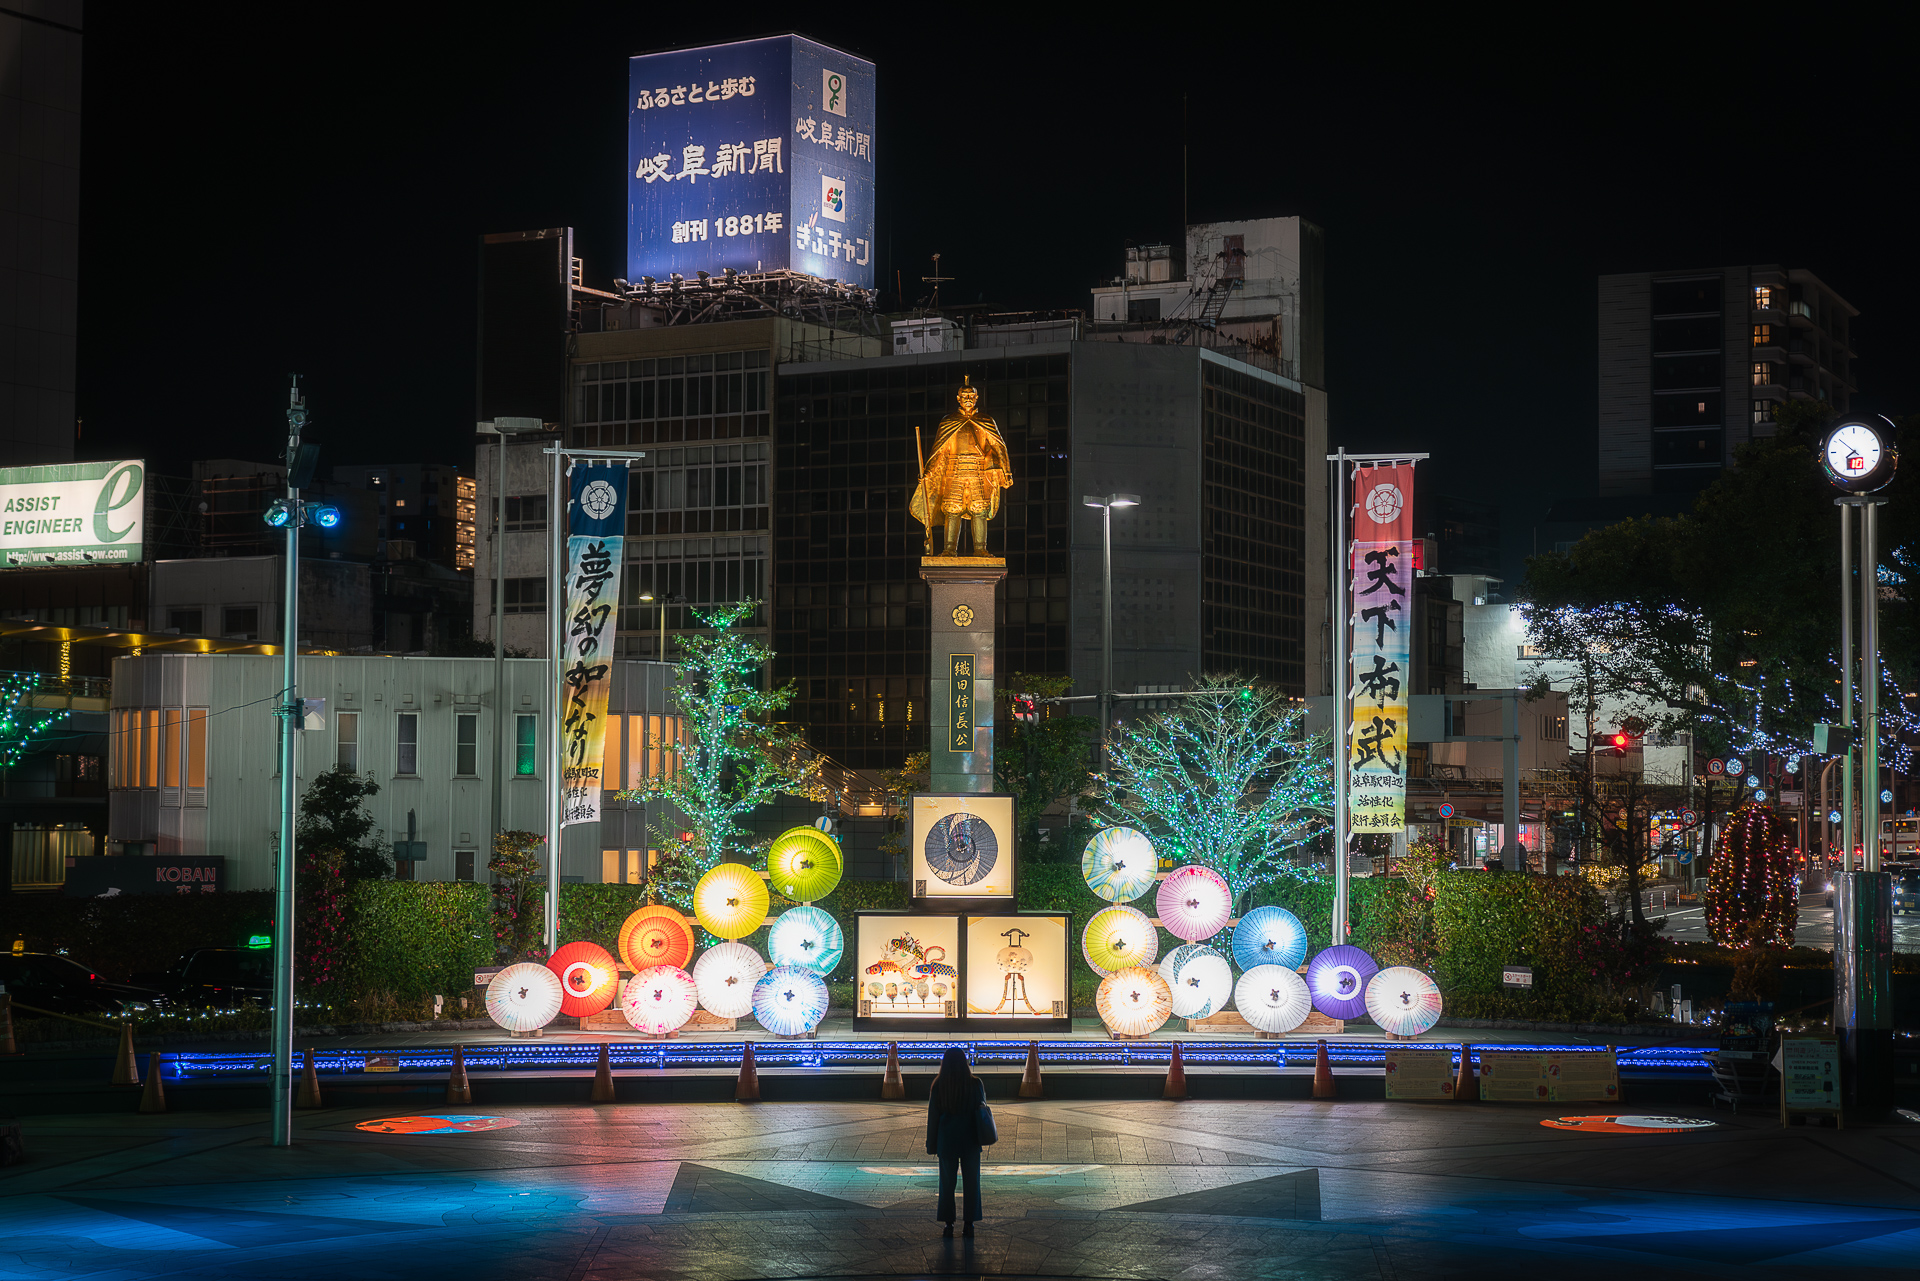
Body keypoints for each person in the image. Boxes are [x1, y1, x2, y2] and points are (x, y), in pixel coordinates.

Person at [925, 1045, 986, 1236]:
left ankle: (948, 1223)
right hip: (970, 1140)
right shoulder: (975, 1084)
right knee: (972, 1182)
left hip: (947, 1140)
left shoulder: (939, 1085)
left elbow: (933, 1117)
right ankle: (969, 1223)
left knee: (947, 1184)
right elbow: (982, 1109)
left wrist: (931, 1143)